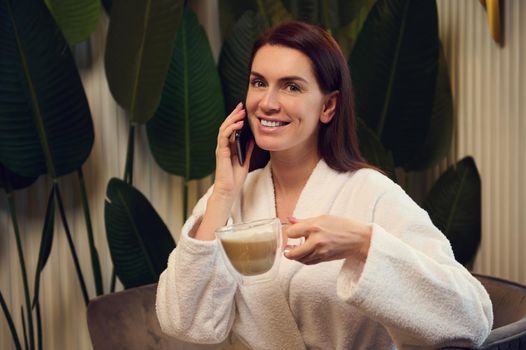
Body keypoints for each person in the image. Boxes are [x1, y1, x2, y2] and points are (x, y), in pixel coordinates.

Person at [156, 20, 493, 349]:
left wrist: (363, 244)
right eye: (259, 82)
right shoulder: (229, 199)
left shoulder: (370, 193)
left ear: (328, 106)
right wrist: (224, 194)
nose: (268, 102)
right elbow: (183, 321)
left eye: (291, 86)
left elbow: (471, 319)